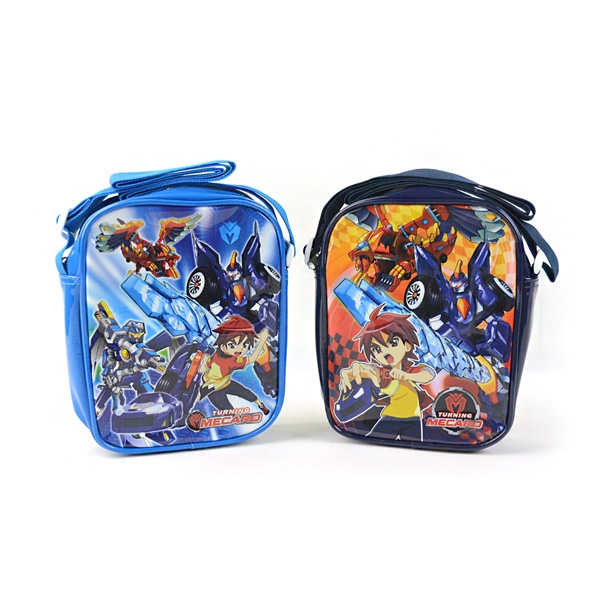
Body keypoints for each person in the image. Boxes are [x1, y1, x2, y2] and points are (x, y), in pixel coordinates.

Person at [339, 305, 435, 441]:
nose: (385, 353)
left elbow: (428, 374)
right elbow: (373, 373)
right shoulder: (383, 373)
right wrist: (359, 372)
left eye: (393, 342)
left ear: (407, 345)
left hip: (414, 418)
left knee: (418, 444)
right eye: (377, 350)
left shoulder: (408, 370)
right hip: (392, 417)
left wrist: (406, 376)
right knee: (373, 441)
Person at [197, 315, 270, 415]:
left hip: (226, 382)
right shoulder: (230, 360)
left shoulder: (228, 357)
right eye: (232, 345)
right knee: (229, 412)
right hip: (214, 391)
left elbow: (205, 367)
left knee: (247, 394)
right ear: (223, 346)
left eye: (244, 345)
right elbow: (252, 358)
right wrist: (261, 341)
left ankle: (261, 405)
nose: (239, 349)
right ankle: (237, 414)